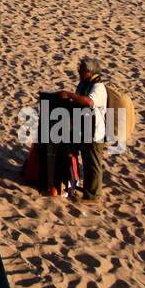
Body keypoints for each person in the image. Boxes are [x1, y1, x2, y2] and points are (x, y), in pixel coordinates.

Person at [55, 57, 108, 203]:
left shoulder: (98, 87)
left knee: (92, 164)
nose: (79, 71)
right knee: (83, 159)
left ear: (90, 72)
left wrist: (71, 95)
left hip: (94, 132)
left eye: (82, 69)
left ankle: (92, 196)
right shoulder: (84, 84)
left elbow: (89, 102)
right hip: (82, 129)